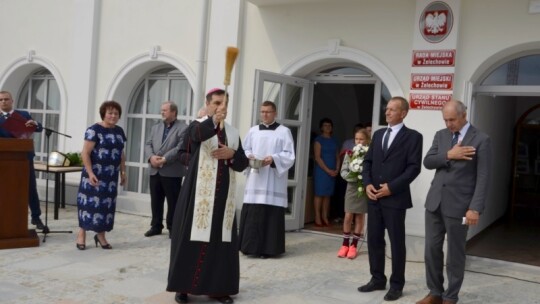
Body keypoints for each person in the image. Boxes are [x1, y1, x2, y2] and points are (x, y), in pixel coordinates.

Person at [167, 88, 249, 304]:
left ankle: (218, 288)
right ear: (208, 104)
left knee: (220, 245)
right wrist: (211, 120)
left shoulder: (232, 132)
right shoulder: (198, 126)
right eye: (217, 103)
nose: (221, 107)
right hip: (197, 196)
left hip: (223, 200)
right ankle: (182, 287)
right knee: (189, 240)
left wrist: (232, 155)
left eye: (224, 104)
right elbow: (193, 140)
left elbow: (242, 164)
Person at [416, 100, 491, 304]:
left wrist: (475, 207)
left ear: (464, 115)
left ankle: (451, 296)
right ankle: (435, 292)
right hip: (435, 202)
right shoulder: (441, 135)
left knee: (455, 254)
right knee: (431, 250)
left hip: (460, 206)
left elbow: (483, 176)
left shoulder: (481, 139)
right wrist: (449, 154)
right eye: (445, 120)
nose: (448, 124)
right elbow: (428, 161)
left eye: (452, 120)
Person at [358, 96, 423, 302]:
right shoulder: (377, 135)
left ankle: (397, 284)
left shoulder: (413, 137)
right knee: (375, 240)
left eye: (392, 109)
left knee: (396, 243)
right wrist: (367, 183)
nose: (387, 112)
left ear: (403, 113)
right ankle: (377, 278)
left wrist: (391, 188)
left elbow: (413, 168)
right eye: (387, 109)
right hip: (374, 198)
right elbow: (367, 162)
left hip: (395, 199)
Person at [239, 101, 295, 259]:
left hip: (273, 179)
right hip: (256, 177)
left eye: (268, 112)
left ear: (275, 113)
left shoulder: (284, 132)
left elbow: (290, 155)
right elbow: (244, 149)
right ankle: (250, 247)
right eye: (262, 111)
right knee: (254, 212)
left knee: (270, 214)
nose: (265, 114)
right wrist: (249, 156)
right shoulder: (253, 130)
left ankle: (270, 249)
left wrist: (274, 158)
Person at [75, 101, 126, 250]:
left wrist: (123, 172)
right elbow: (85, 153)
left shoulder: (119, 131)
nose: (113, 116)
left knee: (106, 207)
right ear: (103, 114)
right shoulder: (94, 130)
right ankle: (82, 234)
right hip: (94, 175)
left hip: (110, 176)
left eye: (116, 113)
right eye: (110, 113)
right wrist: (90, 173)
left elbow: (121, 153)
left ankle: (101, 235)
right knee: (88, 205)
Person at [0, 90, 45, 230]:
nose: (3, 102)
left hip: (24, 157)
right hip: (5, 160)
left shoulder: (23, 114)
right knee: (6, 190)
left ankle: (36, 217)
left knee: (30, 188)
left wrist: (35, 124)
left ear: (12, 101)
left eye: (6, 99)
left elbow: (39, 128)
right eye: (0, 100)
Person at [144, 101, 187, 238]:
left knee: (173, 201)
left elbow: (180, 147)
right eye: (161, 110)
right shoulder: (155, 127)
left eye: (165, 110)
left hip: (172, 171)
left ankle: (173, 227)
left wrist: (164, 159)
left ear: (174, 112)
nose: (162, 112)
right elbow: (148, 144)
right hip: (154, 170)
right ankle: (156, 226)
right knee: (156, 200)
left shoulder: (183, 128)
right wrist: (151, 158)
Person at [337, 128, 370, 260]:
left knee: (359, 216)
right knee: (348, 215)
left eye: (361, 139)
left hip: (362, 188)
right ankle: (345, 244)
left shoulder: (370, 153)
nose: (359, 141)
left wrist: (364, 178)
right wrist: (352, 177)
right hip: (351, 187)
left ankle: (354, 245)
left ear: (367, 140)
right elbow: (343, 171)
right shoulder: (350, 153)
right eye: (357, 139)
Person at [312, 117, 339, 227]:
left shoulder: (334, 140)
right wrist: (328, 170)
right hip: (322, 171)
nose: (328, 127)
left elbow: (337, 156)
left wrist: (337, 169)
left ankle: (325, 216)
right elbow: (317, 158)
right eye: (325, 125)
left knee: (327, 195)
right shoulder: (318, 140)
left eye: (329, 125)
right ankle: (317, 217)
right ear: (321, 128)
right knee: (319, 194)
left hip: (332, 170)